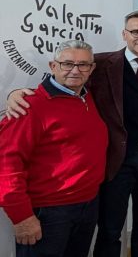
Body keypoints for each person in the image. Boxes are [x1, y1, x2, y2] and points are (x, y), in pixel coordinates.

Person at [6, 10, 138, 257]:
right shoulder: (102, 64)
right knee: (109, 230)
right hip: (115, 163)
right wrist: (16, 93)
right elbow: (65, 85)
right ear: (124, 34)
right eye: (136, 31)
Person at [0, 40, 108, 257]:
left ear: (91, 69)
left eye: (83, 65)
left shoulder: (87, 96)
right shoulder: (28, 107)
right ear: (53, 66)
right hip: (48, 213)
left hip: (87, 205)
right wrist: (22, 217)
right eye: (67, 64)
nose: (75, 70)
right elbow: (6, 165)